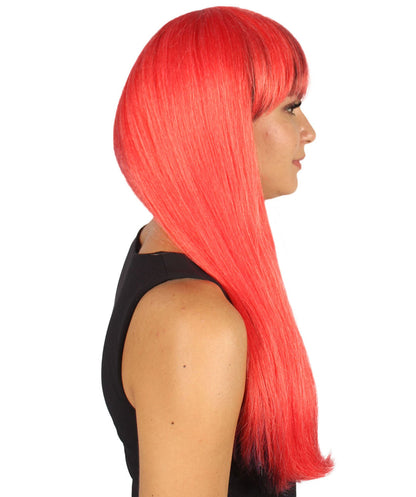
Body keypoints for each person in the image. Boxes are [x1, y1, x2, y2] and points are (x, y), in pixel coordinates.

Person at [101, 6, 333, 497]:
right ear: (222, 124)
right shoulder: (194, 322)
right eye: (291, 108)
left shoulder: (162, 243)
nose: (309, 131)